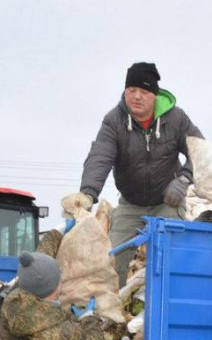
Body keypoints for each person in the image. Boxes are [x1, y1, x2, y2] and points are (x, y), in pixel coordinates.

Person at [77, 61, 204, 284]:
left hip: (168, 201)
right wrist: (87, 193)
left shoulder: (175, 119)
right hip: (131, 203)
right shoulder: (113, 121)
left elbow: (201, 151)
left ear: (154, 95)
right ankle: (112, 314)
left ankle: (167, 309)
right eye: (131, 90)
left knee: (169, 259)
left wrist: (184, 179)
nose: (136, 96)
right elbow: (100, 156)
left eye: (144, 91)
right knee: (112, 260)